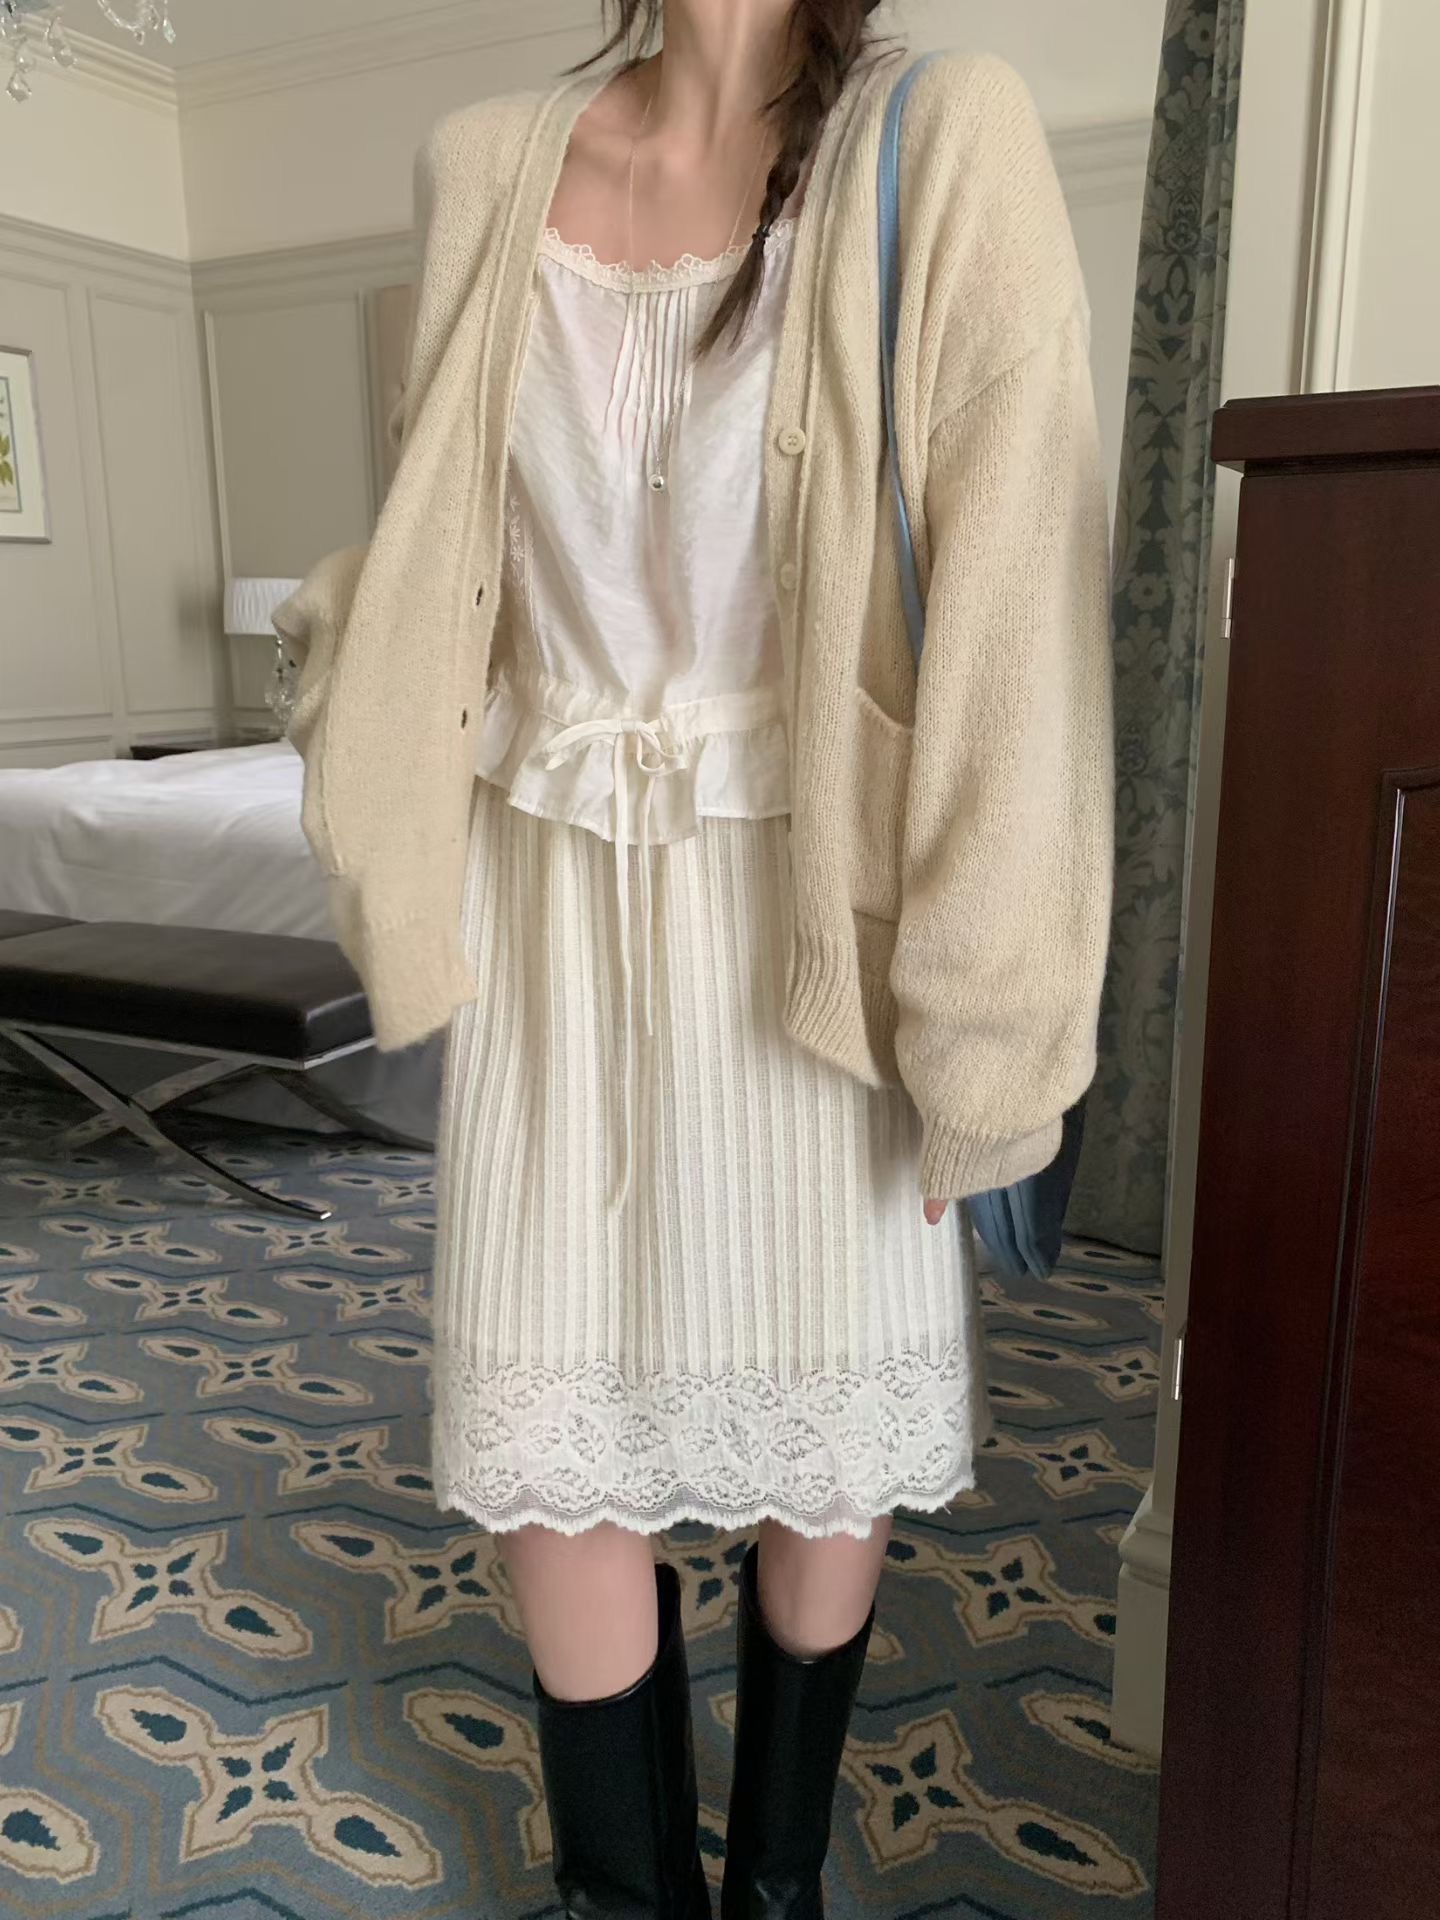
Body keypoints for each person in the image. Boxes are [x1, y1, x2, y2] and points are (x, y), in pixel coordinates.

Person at [274, 1, 1113, 1913]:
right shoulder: (484, 164)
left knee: (826, 1454)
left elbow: (1016, 629)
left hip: (819, 918)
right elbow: (442, 537)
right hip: (547, 907)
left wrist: (981, 1031)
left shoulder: (943, 133)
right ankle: (625, 1892)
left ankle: (776, 1882)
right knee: (549, 1440)